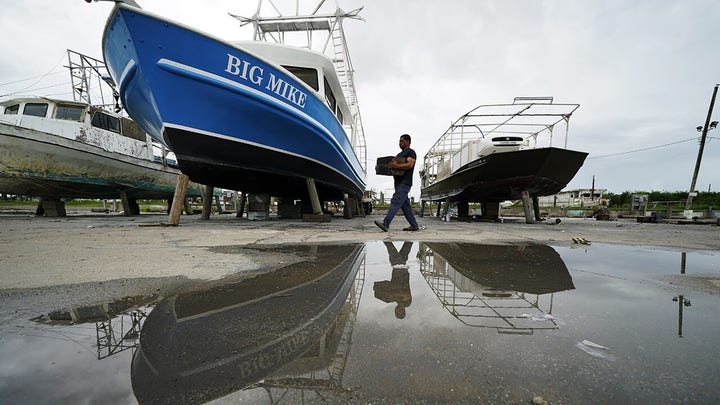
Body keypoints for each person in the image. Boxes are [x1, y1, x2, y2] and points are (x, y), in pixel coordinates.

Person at [374, 134, 420, 232]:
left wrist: (396, 166)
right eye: (399, 141)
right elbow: (394, 168)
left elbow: (410, 165)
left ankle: (385, 224)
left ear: (408, 142)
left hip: (405, 183)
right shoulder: (399, 155)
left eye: (402, 141)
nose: (400, 143)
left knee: (395, 201)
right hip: (399, 183)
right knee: (405, 206)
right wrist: (384, 168)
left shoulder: (411, 152)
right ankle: (414, 225)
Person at [373, 242, 414, 319]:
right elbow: (406, 294)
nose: (398, 311)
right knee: (390, 248)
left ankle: (411, 236)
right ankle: (385, 237)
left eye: (397, 312)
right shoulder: (406, 303)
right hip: (400, 271)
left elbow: (397, 291)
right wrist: (392, 294)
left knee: (405, 251)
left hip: (399, 270)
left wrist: (392, 295)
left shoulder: (398, 301)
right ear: (403, 311)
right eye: (400, 312)